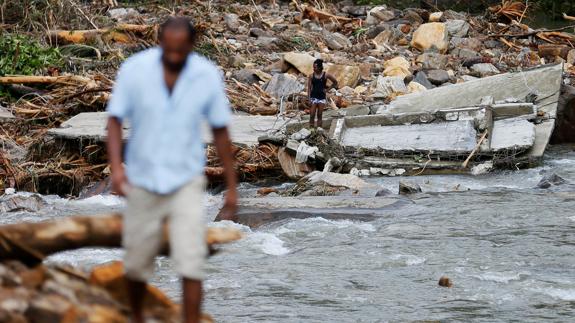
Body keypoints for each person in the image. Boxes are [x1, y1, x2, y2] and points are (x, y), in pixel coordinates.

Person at [106, 17, 238, 323]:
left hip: (186, 181)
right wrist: (116, 169)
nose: (174, 58)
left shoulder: (206, 75)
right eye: (169, 51)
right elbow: (114, 120)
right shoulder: (135, 70)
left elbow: (220, 130)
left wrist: (232, 187)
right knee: (137, 265)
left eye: (181, 52)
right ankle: (136, 317)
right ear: (160, 43)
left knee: (191, 264)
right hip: (142, 179)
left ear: (191, 46)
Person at [307, 59, 338, 129]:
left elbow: (335, 82)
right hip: (313, 97)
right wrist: (308, 99)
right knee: (312, 114)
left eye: (315, 67)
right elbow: (309, 88)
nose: (313, 69)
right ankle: (311, 130)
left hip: (322, 97)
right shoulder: (311, 76)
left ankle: (318, 131)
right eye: (313, 67)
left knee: (319, 115)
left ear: (320, 67)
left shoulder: (325, 75)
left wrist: (327, 90)